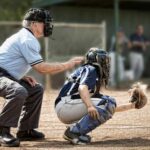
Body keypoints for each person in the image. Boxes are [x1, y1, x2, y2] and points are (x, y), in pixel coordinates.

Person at [0, 8, 83, 147]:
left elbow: (8, 61)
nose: (47, 25)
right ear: (34, 24)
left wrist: (21, 77)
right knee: (18, 91)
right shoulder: (26, 39)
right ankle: (2, 131)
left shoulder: (25, 37)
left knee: (35, 89)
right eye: (44, 22)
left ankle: (26, 130)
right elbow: (42, 68)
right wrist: (66, 65)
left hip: (5, 74)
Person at [55, 47, 147, 145]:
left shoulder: (89, 73)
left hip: (66, 106)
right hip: (66, 105)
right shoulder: (91, 68)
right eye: (104, 60)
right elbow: (82, 88)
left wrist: (132, 105)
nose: (106, 64)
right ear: (97, 60)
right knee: (108, 102)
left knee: (107, 102)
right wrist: (90, 106)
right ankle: (74, 132)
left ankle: (74, 130)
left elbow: (108, 108)